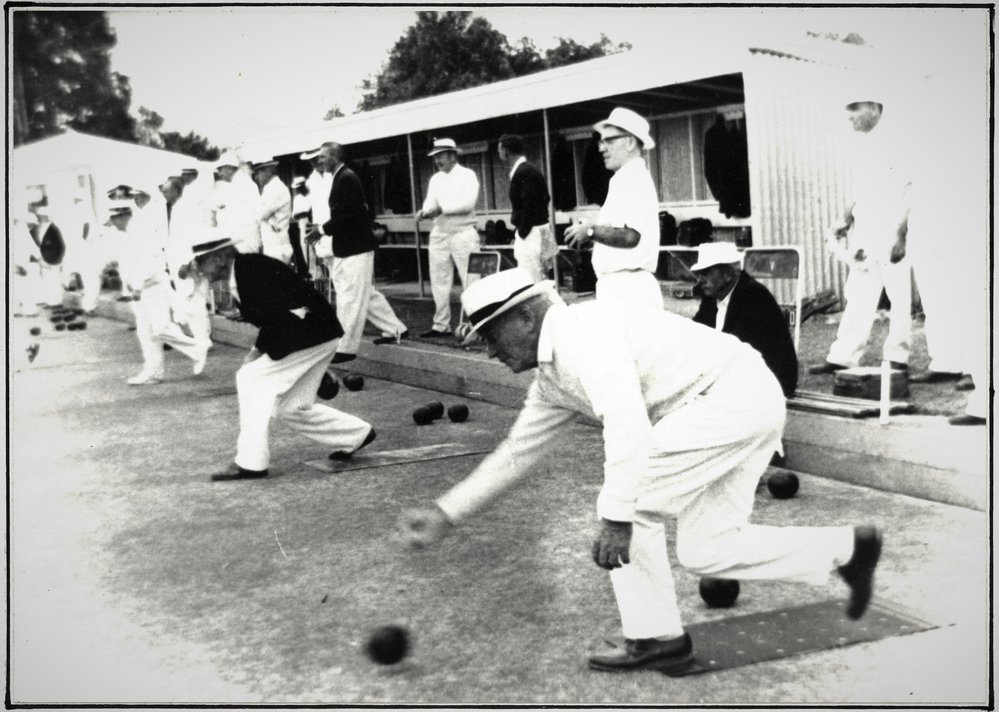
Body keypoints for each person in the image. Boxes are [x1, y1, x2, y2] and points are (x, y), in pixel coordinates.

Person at [399, 268, 882, 672]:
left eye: (490, 334)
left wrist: (616, 515)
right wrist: (447, 513)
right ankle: (849, 549)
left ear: (525, 316)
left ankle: (655, 637)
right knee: (706, 549)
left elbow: (628, 424)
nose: (489, 351)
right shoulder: (552, 375)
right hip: (735, 400)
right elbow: (517, 452)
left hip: (730, 397)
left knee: (632, 504)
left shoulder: (581, 336)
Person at [189, 238, 376, 481]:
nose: (199, 270)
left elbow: (280, 317)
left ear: (219, 257)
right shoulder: (242, 272)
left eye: (200, 262)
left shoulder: (251, 269)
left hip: (309, 332)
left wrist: (268, 355)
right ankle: (356, 434)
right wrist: (260, 352)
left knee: (250, 378)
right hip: (310, 333)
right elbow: (274, 318)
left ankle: (251, 463)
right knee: (290, 408)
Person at [809, 92, 912, 376]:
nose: (850, 115)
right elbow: (858, 190)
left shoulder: (897, 141)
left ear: (876, 107)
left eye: (855, 107)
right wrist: (844, 217)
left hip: (892, 229)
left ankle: (897, 357)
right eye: (847, 108)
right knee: (858, 293)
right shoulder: (862, 146)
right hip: (865, 229)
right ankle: (843, 356)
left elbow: (910, 190)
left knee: (898, 295)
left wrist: (901, 234)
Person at [305, 142, 408, 363]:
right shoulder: (340, 177)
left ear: (334, 157)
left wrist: (322, 230)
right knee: (365, 294)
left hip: (355, 247)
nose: (319, 161)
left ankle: (345, 348)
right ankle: (396, 329)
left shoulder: (346, 178)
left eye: (323, 157)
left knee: (350, 298)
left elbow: (348, 215)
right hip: (350, 246)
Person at [563, 107, 662, 313]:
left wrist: (590, 231)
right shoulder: (624, 179)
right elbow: (618, 232)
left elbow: (630, 237)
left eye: (609, 141)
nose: (601, 148)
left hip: (629, 288)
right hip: (620, 286)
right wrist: (592, 235)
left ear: (630, 142)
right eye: (601, 141)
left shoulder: (634, 178)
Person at [103, 203, 209, 385]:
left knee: (161, 328)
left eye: (114, 221)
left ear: (121, 216)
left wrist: (137, 285)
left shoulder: (141, 233)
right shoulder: (125, 235)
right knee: (146, 333)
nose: (114, 225)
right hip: (139, 291)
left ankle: (198, 348)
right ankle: (154, 372)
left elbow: (149, 263)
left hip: (152, 288)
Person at [691, 242, 798, 398]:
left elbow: (737, 352)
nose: (700, 279)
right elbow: (697, 334)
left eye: (706, 272)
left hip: (770, 384)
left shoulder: (753, 296)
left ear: (728, 274)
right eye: (699, 273)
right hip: (738, 378)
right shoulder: (712, 296)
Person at [416, 138, 481, 338]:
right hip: (440, 233)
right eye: (435, 157)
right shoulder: (435, 179)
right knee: (439, 280)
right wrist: (424, 212)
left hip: (463, 233)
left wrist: (441, 209)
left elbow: (468, 204)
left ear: (453, 155)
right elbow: (429, 203)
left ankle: (476, 324)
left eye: (441, 155)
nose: (437, 160)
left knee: (471, 279)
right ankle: (440, 325)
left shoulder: (468, 175)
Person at [160, 176, 214, 355]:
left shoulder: (185, 209)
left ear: (176, 191)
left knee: (193, 303)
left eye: (166, 191)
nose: (163, 194)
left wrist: (188, 261)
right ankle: (203, 339)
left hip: (189, 263)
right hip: (182, 262)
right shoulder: (175, 208)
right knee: (194, 301)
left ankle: (203, 341)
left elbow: (192, 236)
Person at [497, 133, 558, 282]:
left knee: (531, 280)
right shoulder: (528, 170)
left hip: (531, 234)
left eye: (499, 150)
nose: (499, 153)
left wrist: (522, 232)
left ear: (506, 150)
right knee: (542, 279)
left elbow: (528, 205)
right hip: (541, 230)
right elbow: (545, 198)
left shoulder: (523, 172)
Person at [251, 158, 293, 264]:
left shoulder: (276, 188)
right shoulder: (269, 188)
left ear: (269, 170)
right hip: (272, 244)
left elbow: (260, 215)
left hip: (278, 246)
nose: (256, 177)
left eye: (259, 172)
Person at [31, 204, 66, 308]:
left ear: (46, 216)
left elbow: (60, 246)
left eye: (41, 215)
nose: (39, 217)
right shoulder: (40, 227)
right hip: (44, 258)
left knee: (54, 281)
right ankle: (50, 301)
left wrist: (54, 259)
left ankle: (56, 303)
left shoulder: (53, 229)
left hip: (53, 259)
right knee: (47, 281)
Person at [288, 175, 311, 276]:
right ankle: (310, 273)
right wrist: (304, 213)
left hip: (312, 224)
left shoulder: (312, 195)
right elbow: (295, 215)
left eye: (300, 187)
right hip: (302, 225)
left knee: (314, 250)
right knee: (304, 247)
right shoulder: (297, 198)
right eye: (297, 188)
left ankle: (318, 274)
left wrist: (307, 213)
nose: (299, 189)